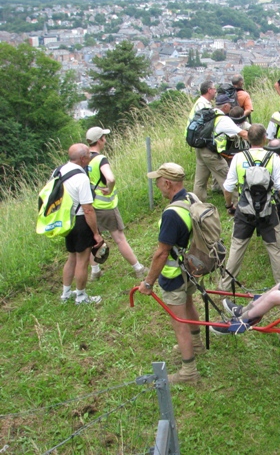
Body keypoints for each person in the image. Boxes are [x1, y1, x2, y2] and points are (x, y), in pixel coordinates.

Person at [138, 163, 205, 384]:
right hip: (192, 267)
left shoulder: (171, 214)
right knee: (188, 303)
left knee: (178, 320)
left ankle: (188, 372)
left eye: (158, 181)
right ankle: (196, 344)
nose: (157, 186)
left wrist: (148, 283)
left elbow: (161, 253)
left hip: (175, 273)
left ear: (167, 183)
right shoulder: (192, 199)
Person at [218, 124, 280, 292]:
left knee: (237, 248)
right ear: (265, 138)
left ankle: (224, 286)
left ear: (247, 139)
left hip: (244, 209)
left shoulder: (238, 158)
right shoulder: (273, 158)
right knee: (275, 249)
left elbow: (227, 188)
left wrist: (229, 205)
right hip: (268, 211)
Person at [85, 127, 148, 282]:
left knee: (93, 239)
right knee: (119, 238)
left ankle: (95, 271)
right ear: (100, 140)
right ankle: (138, 268)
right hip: (105, 205)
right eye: (104, 137)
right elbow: (110, 178)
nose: (105, 140)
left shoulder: (83, 159)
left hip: (89, 205)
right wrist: (109, 188)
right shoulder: (100, 159)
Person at [60, 143, 103, 305]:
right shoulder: (81, 178)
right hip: (80, 221)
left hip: (66, 220)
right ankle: (81, 296)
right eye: (89, 155)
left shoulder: (59, 171)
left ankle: (65, 294)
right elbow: (88, 210)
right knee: (83, 259)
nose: (91, 157)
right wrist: (96, 233)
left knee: (71, 257)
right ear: (83, 158)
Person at [193, 93, 248, 202]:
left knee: (200, 181)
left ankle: (197, 205)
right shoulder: (223, 119)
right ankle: (235, 205)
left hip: (200, 149)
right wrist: (258, 140)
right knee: (228, 177)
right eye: (230, 105)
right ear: (225, 106)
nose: (231, 107)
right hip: (210, 153)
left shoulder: (210, 113)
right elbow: (243, 134)